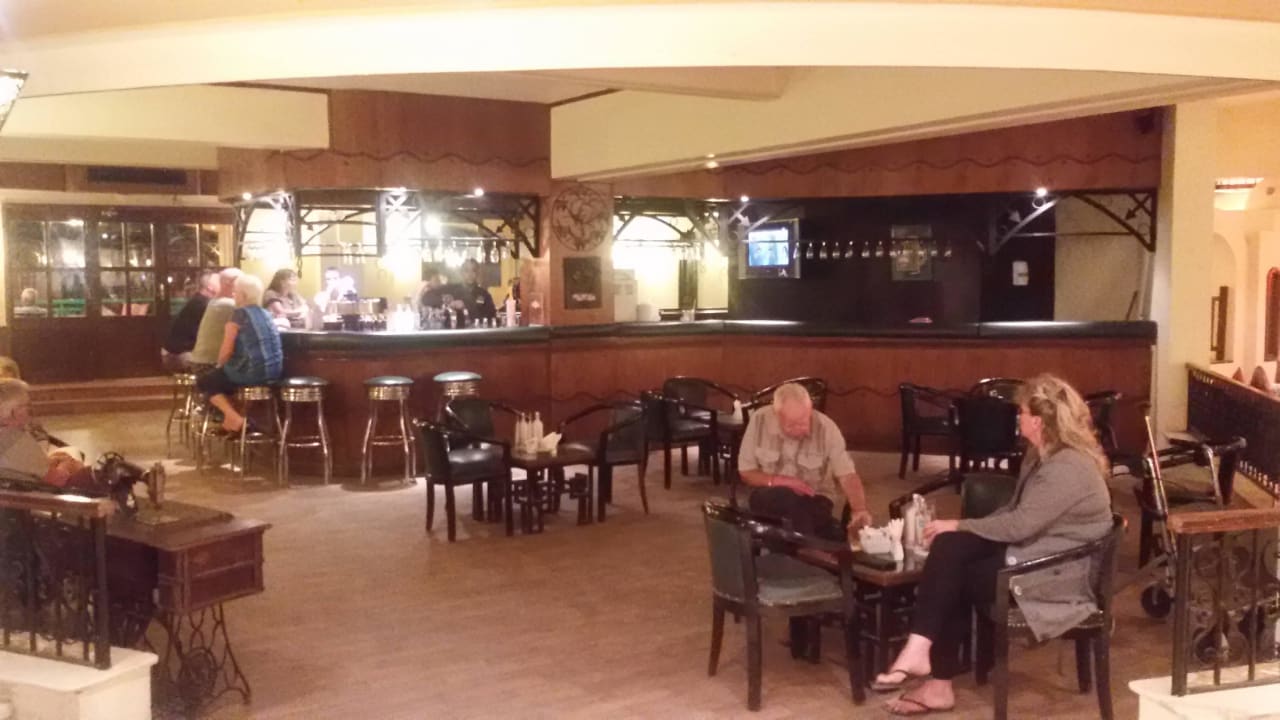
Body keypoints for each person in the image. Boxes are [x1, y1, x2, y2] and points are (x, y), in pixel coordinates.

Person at [874, 373, 1113, 717]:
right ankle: (922, 654)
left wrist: (961, 524)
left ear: (1038, 420)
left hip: (1056, 574)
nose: (1017, 417)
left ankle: (931, 671)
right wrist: (960, 531)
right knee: (949, 549)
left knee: (952, 571)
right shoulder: (1040, 455)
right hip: (1036, 552)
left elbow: (1020, 524)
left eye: (1021, 412)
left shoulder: (1069, 467)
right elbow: (1014, 511)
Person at [736, 382, 872, 540]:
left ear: (810, 409)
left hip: (815, 498)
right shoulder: (759, 420)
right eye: (791, 425)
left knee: (794, 517)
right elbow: (746, 473)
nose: (799, 429)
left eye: (803, 422)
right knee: (787, 498)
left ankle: (798, 548)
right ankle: (812, 548)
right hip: (768, 495)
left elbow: (847, 475)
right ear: (777, 414)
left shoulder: (826, 428)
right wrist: (783, 482)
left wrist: (859, 509)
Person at [196, 275, 283, 433]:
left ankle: (235, 419)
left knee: (206, 381)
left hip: (251, 373)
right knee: (224, 382)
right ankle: (231, 424)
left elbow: (226, 350)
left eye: (235, 292)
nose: (233, 295)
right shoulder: (266, 313)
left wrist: (218, 366)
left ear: (243, 295)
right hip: (274, 373)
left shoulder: (239, 315)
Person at [0, 378, 87, 488]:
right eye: (27, 405)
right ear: (13, 411)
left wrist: (50, 462)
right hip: (43, 496)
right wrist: (69, 465)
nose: (30, 410)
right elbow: (58, 480)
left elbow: (25, 467)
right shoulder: (14, 439)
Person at [162, 270, 218, 371]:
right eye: (220, 282)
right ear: (210, 287)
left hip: (173, 352)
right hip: (178, 355)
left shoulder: (200, 300)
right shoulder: (203, 305)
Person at [189, 268, 241, 370]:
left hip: (200, 362)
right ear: (232, 284)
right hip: (210, 365)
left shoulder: (214, 302)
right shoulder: (228, 305)